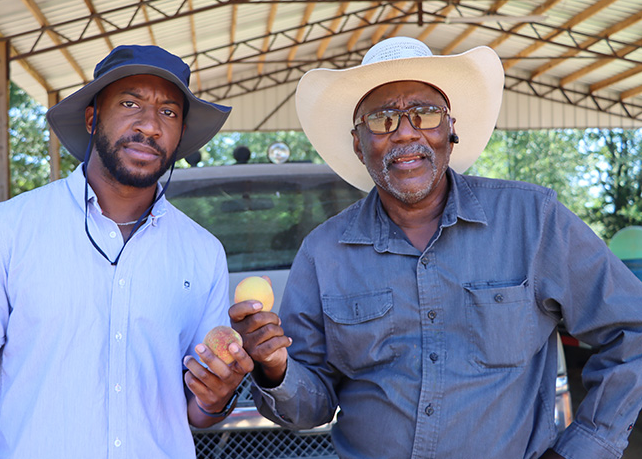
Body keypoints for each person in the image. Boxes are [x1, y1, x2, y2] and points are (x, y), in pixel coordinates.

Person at [230, 37, 642, 459]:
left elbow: (633, 330)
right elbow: (311, 406)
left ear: (451, 129)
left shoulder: (533, 220)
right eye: (382, 119)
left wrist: (583, 448)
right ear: (359, 143)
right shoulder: (323, 253)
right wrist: (276, 367)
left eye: (425, 114)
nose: (406, 132)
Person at [0, 45, 253, 458]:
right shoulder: (7, 230)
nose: (150, 126)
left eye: (169, 112)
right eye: (130, 103)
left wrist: (218, 395)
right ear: (92, 119)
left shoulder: (202, 252)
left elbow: (198, 411)